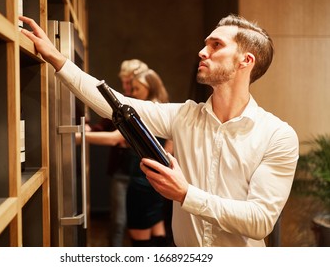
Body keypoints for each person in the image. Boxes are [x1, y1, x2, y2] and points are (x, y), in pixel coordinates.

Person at [20, 14, 299, 247]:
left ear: (245, 61)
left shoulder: (278, 136)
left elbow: (260, 221)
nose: (202, 52)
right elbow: (116, 104)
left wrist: (185, 194)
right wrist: (57, 58)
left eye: (216, 45)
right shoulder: (184, 116)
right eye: (205, 44)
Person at [80, 69, 173, 247]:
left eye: (137, 89)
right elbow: (170, 147)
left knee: (139, 236)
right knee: (156, 227)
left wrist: (78, 137)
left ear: (149, 87)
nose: (133, 93)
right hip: (158, 178)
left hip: (141, 180)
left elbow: (115, 138)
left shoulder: (147, 112)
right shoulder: (164, 107)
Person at [88, 59, 149, 247]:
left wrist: (81, 137)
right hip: (122, 171)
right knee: (118, 221)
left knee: (144, 221)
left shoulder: (149, 102)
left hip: (144, 172)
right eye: (123, 82)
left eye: (129, 82)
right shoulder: (120, 100)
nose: (126, 86)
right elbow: (106, 123)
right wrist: (91, 129)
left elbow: (117, 137)